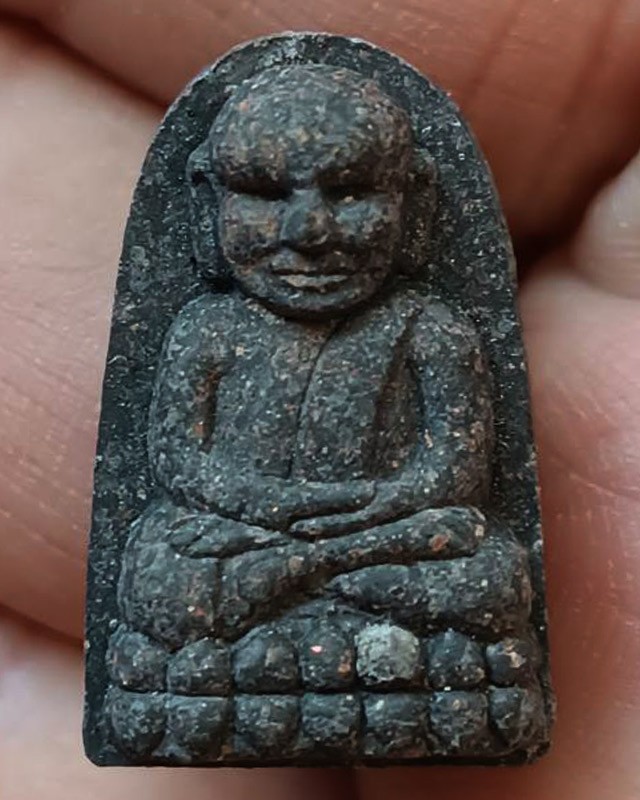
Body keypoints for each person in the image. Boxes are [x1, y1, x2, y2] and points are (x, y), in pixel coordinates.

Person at [1, 0, 639, 796]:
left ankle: (275, 642)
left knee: (483, 567)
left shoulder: (429, 328)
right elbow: (177, 461)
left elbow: (452, 472)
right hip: (253, 536)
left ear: (414, 201)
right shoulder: (208, 326)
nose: (308, 231)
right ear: (207, 201)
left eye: (349, 194)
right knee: (162, 569)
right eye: (266, 194)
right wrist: (273, 510)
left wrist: (350, 524)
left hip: (380, 536)